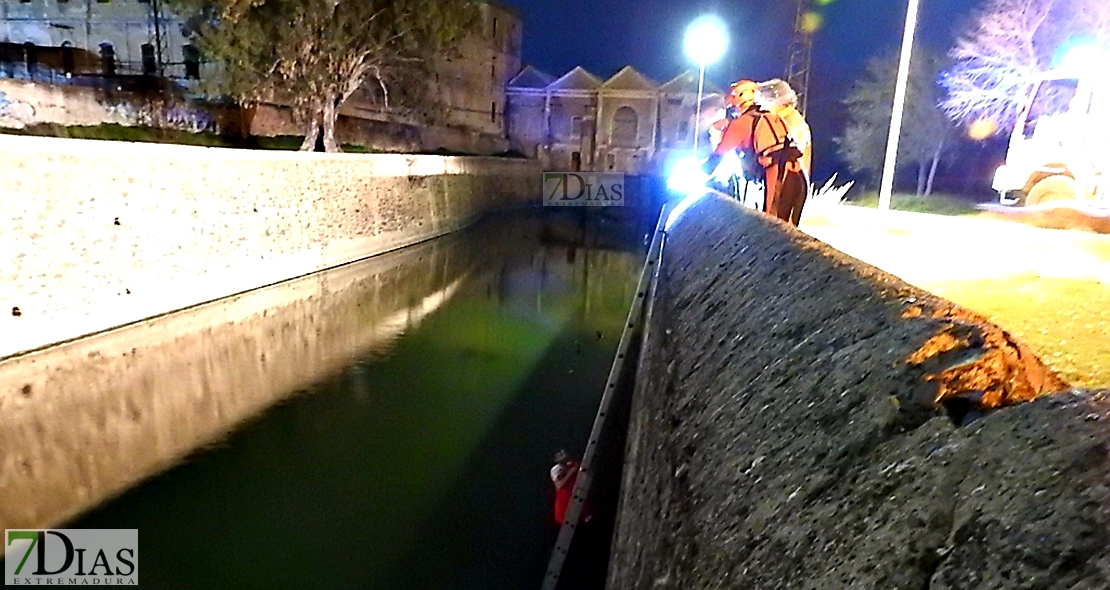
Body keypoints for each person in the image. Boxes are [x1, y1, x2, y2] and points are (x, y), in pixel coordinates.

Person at [704, 79, 809, 226]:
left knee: (772, 229)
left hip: (778, 177)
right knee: (789, 232)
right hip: (799, 177)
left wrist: (698, 175)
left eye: (732, 109)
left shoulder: (740, 124)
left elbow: (716, 159)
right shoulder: (773, 117)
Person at [550, 450, 591, 525]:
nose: (563, 455)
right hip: (565, 501)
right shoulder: (557, 469)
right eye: (560, 455)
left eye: (563, 453)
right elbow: (558, 485)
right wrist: (570, 472)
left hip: (577, 495)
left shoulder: (573, 463)